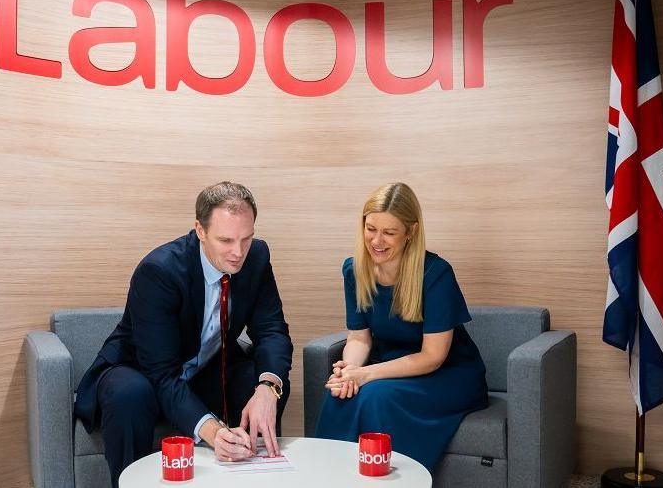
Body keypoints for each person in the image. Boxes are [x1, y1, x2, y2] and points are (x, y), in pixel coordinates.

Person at [74, 181, 292, 487]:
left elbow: (271, 330)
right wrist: (214, 433)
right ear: (200, 231)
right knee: (130, 394)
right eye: (226, 240)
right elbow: (161, 373)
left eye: (247, 238)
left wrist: (269, 388)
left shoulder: (256, 257)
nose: (238, 252)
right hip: (140, 370)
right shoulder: (159, 271)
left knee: (260, 376)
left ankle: (250, 476)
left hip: (205, 369)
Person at [315, 182, 488, 472]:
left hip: (447, 373)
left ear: (411, 232)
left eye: (389, 232)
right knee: (340, 393)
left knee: (375, 395)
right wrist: (349, 370)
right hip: (389, 367)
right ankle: (329, 477)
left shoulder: (436, 273)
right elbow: (359, 338)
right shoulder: (354, 269)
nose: (377, 241)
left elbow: (433, 356)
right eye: (371, 229)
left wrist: (366, 374)